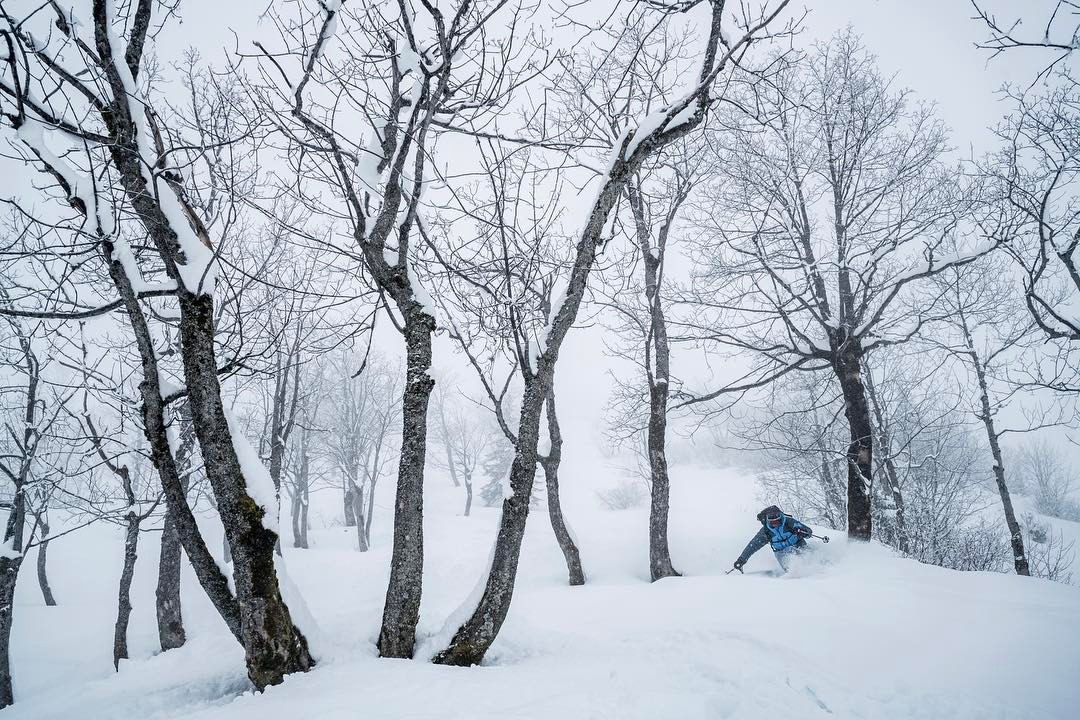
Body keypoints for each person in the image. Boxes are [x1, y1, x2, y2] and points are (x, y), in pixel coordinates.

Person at [733, 505, 813, 573]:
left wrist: (803, 532)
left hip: (798, 545)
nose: (775, 523)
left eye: (777, 520)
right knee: (792, 570)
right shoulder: (766, 531)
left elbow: (809, 532)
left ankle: (817, 571)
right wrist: (741, 560)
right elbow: (753, 546)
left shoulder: (789, 522)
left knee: (809, 563)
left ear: (780, 517)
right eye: (772, 522)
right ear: (768, 521)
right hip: (781, 553)